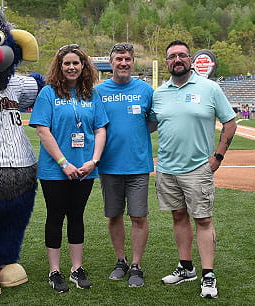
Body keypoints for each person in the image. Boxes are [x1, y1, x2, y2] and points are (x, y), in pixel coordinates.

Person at [150, 40, 237, 299]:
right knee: (178, 217)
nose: (177, 60)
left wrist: (218, 157)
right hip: (166, 168)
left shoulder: (209, 88)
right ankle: (186, 267)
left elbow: (230, 123)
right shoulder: (159, 93)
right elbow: (151, 125)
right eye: (172, 56)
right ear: (166, 62)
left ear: (190, 60)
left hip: (198, 168)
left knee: (203, 219)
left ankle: (208, 275)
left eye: (182, 56)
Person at [29, 44, 109, 293]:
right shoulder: (48, 93)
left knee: (77, 216)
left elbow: (100, 129)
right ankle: (54, 271)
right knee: (55, 216)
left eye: (76, 63)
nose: (72, 67)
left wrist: (93, 161)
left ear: (83, 66)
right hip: (55, 170)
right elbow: (43, 130)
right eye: (67, 63)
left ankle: (76, 268)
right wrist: (64, 163)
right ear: (59, 67)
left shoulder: (91, 94)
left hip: (85, 168)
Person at [95, 43, 155, 288]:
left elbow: (152, 122)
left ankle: (136, 265)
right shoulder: (98, 91)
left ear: (132, 62)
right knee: (114, 215)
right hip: (109, 166)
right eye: (119, 59)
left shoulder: (145, 90)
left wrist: (135, 136)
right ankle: (120, 260)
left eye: (127, 59)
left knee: (139, 216)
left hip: (138, 165)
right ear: (111, 63)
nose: (123, 63)